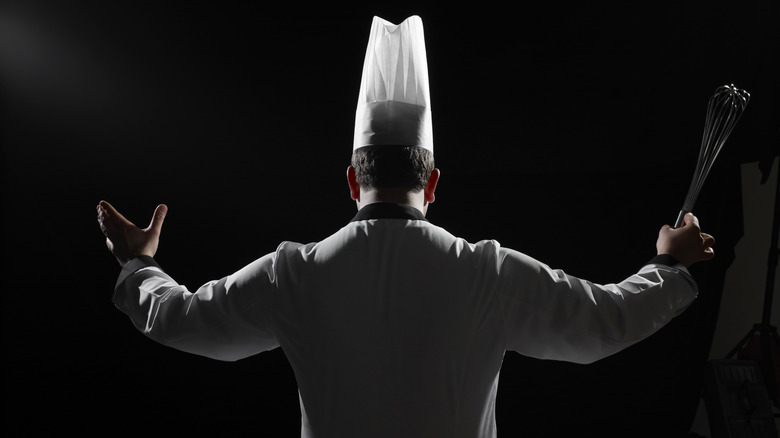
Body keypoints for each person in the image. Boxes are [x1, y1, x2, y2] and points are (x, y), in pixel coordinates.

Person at [96, 16, 715, 438]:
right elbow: (603, 321)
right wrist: (670, 265)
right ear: (435, 182)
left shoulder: (294, 274)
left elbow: (183, 319)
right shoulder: (486, 273)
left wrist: (139, 264)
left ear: (349, 180)